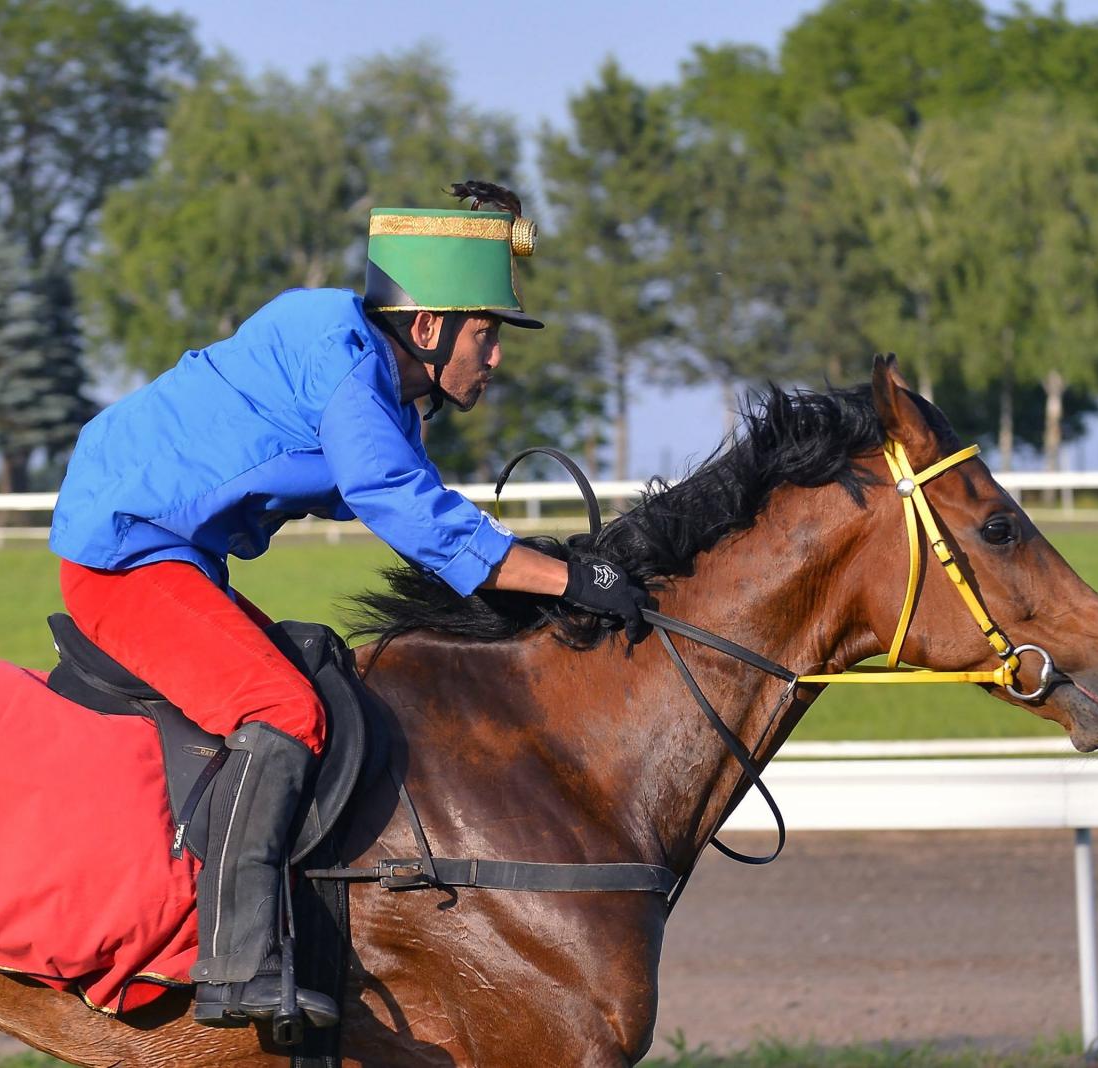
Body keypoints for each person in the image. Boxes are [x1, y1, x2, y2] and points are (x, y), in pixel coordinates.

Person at [48, 182, 651, 1032]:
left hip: (175, 554)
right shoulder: (343, 365)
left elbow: (424, 508)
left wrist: (545, 568)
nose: (496, 357)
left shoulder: (377, 381)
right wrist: (569, 582)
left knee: (319, 681)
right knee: (283, 710)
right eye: (486, 333)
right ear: (428, 327)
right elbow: (406, 510)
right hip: (123, 556)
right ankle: (235, 966)